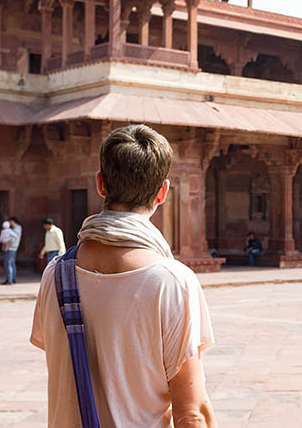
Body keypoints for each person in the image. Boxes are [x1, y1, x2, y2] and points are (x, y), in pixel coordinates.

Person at [30, 123, 216, 427]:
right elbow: (191, 412)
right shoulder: (172, 281)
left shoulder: (55, 274)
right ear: (163, 193)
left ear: (101, 184)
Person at [0, 219, 22, 285]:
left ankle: (10, 279)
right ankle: (12, 278)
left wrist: (5, 243)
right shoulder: (13, 229)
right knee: (11, 263)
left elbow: (13, 238)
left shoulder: (16, 229)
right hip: (12, 247)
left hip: (11, 247)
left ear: (13, 221)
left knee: (8, 263)